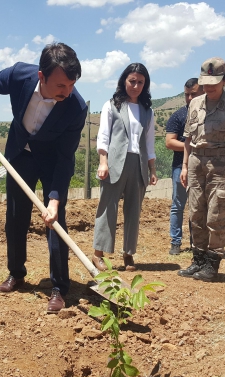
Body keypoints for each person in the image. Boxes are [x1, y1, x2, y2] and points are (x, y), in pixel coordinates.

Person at [0, 43, 87, 313]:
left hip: (52, 162)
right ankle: (16, 273)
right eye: (61, 85)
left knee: (55, 222)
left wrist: (55, 200)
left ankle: (59, 287)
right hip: (19, 155)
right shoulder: (19, 76)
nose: (67, 91)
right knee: (15, 217)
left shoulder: (76, 107)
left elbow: (65, 158)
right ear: (41, 76)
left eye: (72, 85)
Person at [177, 57, 225, 282]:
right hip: (197, 163)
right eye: (205, 83)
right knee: (195, 214)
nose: (209, 87)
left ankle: (212, 263)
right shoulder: (195, 104)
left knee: (215, 216)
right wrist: (185, 165)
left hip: (222, 165)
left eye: (214, 83)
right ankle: (197, 260)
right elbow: (188, 139)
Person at [92, 63, 158, 272]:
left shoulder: (148, 111)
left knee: (133, 211)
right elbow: (103, 136)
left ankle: (128, 254)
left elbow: (149, 142)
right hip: (114, 163)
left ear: (145, 85)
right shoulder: (111, 105)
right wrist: (103, 162)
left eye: (140, 82)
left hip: (138, 164)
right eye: (132, 81)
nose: (136, 85)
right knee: (107, 207)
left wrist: (152, 169)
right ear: (124, 81)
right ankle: (98, 254)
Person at [165, 78, 204, 255]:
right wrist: (192, 146)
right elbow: (169, 142)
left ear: (202, 92)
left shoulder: (208, 115)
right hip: (180, 167)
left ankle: (196, 242)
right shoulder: (178, 116)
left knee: (199, 206)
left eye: (193, 94)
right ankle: (175, 242)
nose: (189, 98)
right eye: (186, 94)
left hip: (204, 166)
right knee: (178, 205)